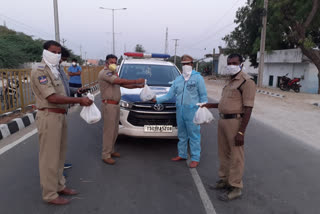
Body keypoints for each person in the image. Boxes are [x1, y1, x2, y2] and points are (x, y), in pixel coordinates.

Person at [31, 40, 93, 205]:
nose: (57, 55)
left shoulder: (56, 70)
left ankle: (59, 185)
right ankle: (50, 194)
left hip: (60, 115)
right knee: (49, 158)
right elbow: (52, 97)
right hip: (49, 116)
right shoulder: (40, 71)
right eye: (53, 51)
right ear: (45, 52)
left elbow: (63, 90)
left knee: (59, 155)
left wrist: (76, 92)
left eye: (59, 52)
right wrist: (80, 100)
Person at [201, 53, 256, 201]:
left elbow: (248, 108)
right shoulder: (230, 81)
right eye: (229, 63)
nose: (231, 65)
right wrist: (210, 105)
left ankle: (236, 187)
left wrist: (241, 132)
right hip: (223, 120)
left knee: (236, 156)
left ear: (241, 64)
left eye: (234, 63)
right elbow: (225, 103)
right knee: (223, 153)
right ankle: (224, 180)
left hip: (235, 122)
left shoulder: (247, 82)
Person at [152, 54, 208, 168]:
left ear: (192, 64)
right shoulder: (178, 80)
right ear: (181, 65)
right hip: (180, 111)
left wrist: (202, 109)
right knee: (182, 135)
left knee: (194, 136)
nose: (186, 65)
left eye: (188, 63)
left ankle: (195, 158)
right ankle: (182, 154)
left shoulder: (198, 78)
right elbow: (169, 95)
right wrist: (156, 99)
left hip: (192, 111)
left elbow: (203, 96)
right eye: (183, 64)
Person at [98, 54, 145, 165]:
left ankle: (111, 150)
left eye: (115, 62)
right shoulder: (106, 73)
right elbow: (119, 82)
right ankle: (106, 155)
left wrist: (137, 86)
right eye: (111, 62)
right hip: (108, 105)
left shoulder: (113, 73)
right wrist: (135, 80)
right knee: (109, 131)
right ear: (106, 63)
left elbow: (121, 85)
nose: (114, 64)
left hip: (115, 105)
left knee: (114, 130)